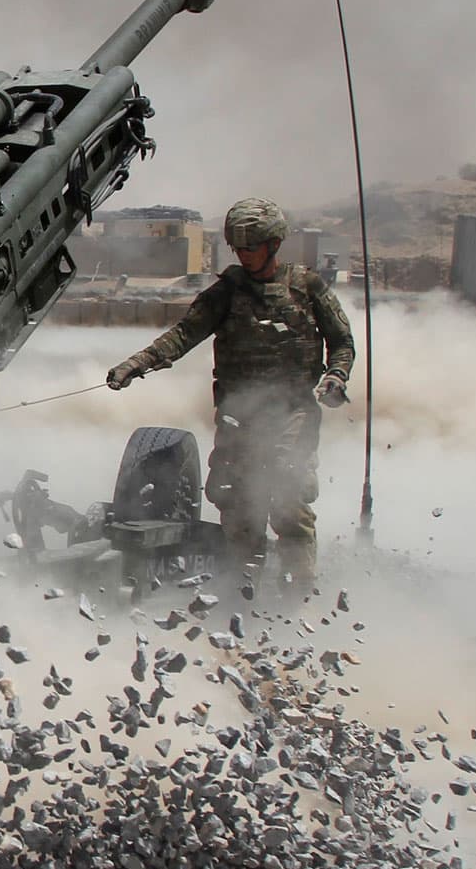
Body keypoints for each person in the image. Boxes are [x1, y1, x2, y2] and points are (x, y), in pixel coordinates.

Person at [105, 197, 355, 585]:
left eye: (251, 246)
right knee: (237, 504)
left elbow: (342, 341)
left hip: (293, 412)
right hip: (240, 416)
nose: (244, 254)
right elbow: (183, 335)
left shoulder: (307, 287)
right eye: (238, 247)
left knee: (289, 501)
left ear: (273, 244)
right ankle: (242, 592)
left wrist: (336, 376)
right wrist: (136, 364)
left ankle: (297, 597)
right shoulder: (226, 293)